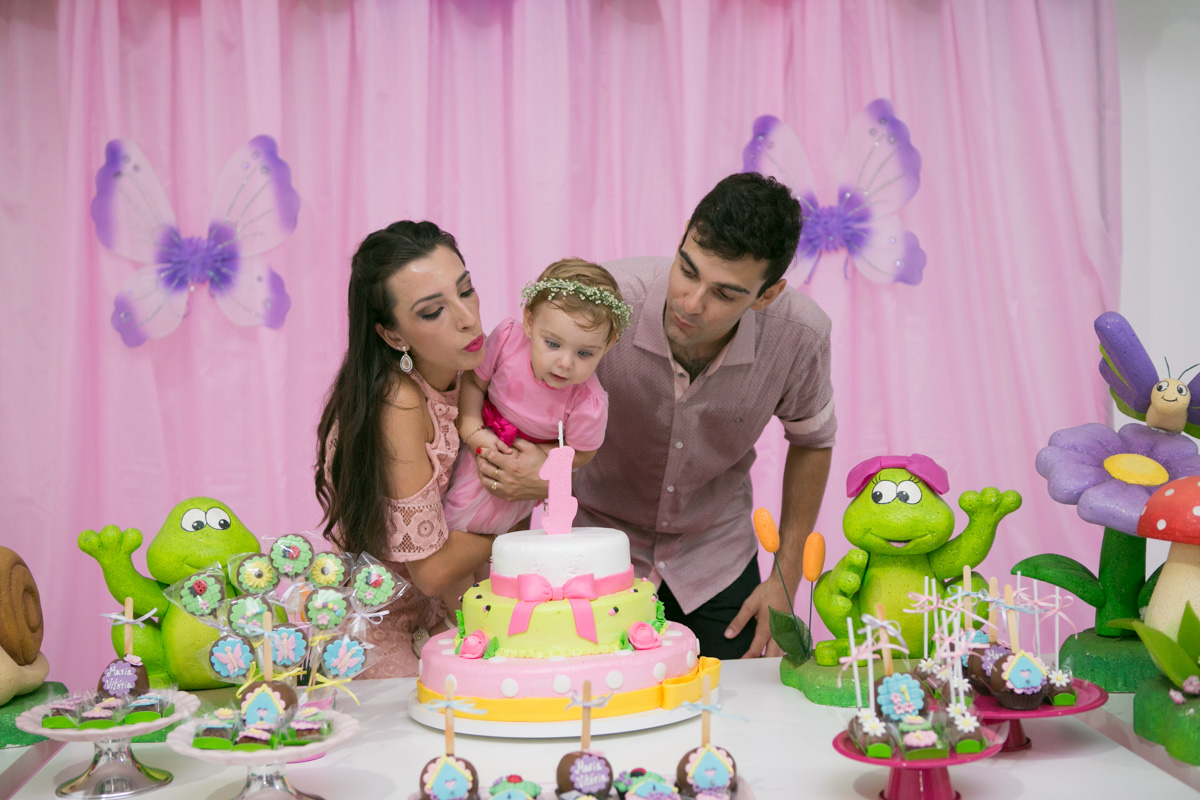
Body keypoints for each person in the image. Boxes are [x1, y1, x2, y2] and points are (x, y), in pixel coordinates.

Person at [476, 173, 835, 659]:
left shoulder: (800, 335)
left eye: (725, 294)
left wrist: (786, 579)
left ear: (767, 295)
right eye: (687, 269)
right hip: (595, 551)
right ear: (684, 235)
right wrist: (537, 472)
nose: (691, 302)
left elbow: (813, 440)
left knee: (737, 700)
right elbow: (518, 388)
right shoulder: (602, 304)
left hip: (715, 558)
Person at [314, 220, 497, 678]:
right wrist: (522, 505)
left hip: (452, 616)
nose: (467, 317)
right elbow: (431, 573)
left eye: (467, 290)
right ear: (393, 336)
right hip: (379, 633)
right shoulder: (397, 402)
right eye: (433, 311)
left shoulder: (472, 371)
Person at [435, 259, 630, 621]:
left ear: (609, 345)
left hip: (523, 473)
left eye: (584, 353)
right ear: (528, 322)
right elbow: (474, 382)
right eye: (552, 343)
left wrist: (541, 459)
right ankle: (457, 618)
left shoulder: (588, 401)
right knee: (448, 530)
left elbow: (583, 453)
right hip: (476, 448)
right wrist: (473, 428)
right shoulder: (508, 340)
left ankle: (476, 620)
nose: (565, 363)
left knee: (494, 551)